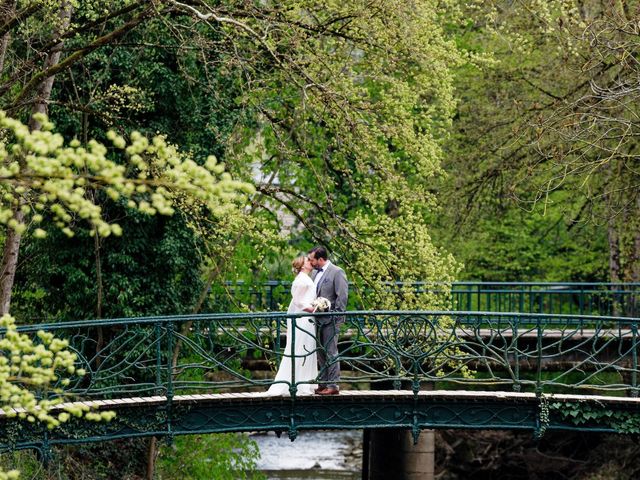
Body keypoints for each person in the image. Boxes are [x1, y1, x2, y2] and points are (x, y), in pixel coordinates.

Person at [267, 256, 318, 396]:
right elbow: (298, 301)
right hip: (304, 318)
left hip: (309, 319)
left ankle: (306, 382)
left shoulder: (306, 278)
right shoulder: (301, 280)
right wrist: (313, 308)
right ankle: (298, 384)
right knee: (300, 348)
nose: (310, 262)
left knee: (307, 348)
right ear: (302, 266)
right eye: (308, 261)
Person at [307, 246, 348, 395]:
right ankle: (323, 383)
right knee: (320, 352)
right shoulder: (315, 274)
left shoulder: (337, 272)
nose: (311, 262)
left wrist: (336, 317)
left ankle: (333, 385)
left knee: (331, 351)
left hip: (331, 320)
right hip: (318, 320)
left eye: (312, 260)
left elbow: (342, 296)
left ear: (320, 259)